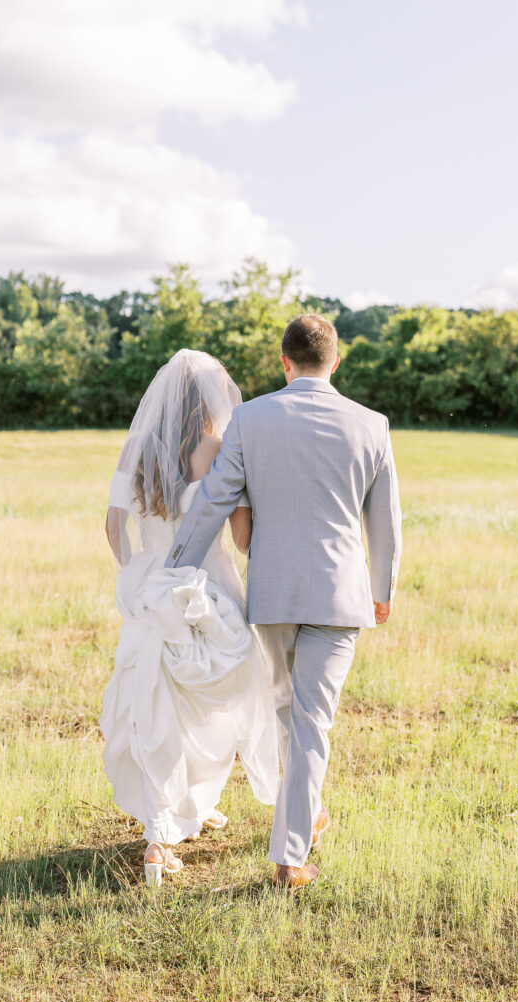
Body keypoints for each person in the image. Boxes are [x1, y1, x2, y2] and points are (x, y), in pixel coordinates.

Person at [165, 314, 402, 888]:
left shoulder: (250, 419)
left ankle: (305, 817)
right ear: (336, 361)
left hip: (271, 594)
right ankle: (290, 858)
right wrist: (383, 590)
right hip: (339, 594)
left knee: (290, 718)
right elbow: (386, 523)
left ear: (284, 360)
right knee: (309, 722)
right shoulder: (371, 425)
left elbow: (214, 500)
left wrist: (174, 569)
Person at [101, 349, 278, 888]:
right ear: (210, 401)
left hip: (155, 587)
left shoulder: (136, 446)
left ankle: (177, 817)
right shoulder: (220, 448)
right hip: (210, 587)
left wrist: (141, 575)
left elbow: (112, 527)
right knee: (216, 702)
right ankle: (165, 829)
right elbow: (242, 536)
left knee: (155, 706)